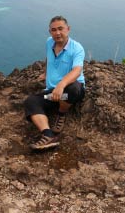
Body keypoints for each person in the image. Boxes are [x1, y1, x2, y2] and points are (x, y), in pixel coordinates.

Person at [24, 16, 85, 150]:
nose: (57, 33)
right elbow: (48, 56)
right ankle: (48, 135)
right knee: (31, 101)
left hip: (68, 93)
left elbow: (77, 70)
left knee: (74, 88)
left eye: (60, 29)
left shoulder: (77, 48)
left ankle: (61, 113)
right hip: (53, 96)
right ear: (50, 32)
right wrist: (46, 72)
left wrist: (61, 85)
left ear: (68, 29)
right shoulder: (49, 42)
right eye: (53, 30)